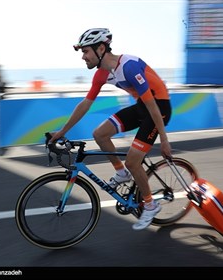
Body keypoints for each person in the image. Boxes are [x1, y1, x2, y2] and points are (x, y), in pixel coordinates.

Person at [49, 28, 173, 230]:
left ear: (101, 48)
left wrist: (165, 140)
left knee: (133, 161)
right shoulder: (100, 75)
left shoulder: (130, 66)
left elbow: (152, 107)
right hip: (143, 106)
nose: (83, 57)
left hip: (159, 108)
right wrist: (62, 132)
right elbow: (85, 104)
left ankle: (150, 205)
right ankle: (120, 172)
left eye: (86, 51)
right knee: (100, 134)